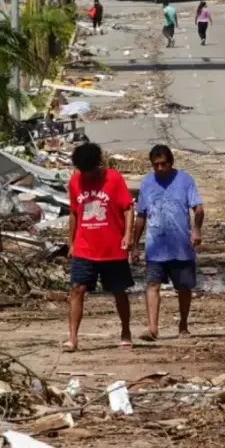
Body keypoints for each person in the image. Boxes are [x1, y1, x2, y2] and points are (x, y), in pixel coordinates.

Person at [66, 142, 136, 351]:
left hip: (112, 248)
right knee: (77, 289)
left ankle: (125, 331)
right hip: (84, 247)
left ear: (99, 165)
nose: (87, 176)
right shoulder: (74, 182)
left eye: (90, 171)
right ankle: (72, 338)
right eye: (83, 171)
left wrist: (128, 236)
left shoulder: (114, 178)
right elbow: (73, 213)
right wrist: (71, 243)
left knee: (118, 290)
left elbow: (128, 208)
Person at [131, 145, 204, 339]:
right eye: (156, 165)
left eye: (163, 164)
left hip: (180, 245)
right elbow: (141, 215)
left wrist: (196, 230)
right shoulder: (147, 183)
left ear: (171, 162)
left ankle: (183, 325)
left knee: (184, 287)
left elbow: (198, 209)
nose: (160, 168)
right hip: (155, 246)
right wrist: (134, 245)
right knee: (152, 284)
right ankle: (153, 328)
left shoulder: (185, 180)